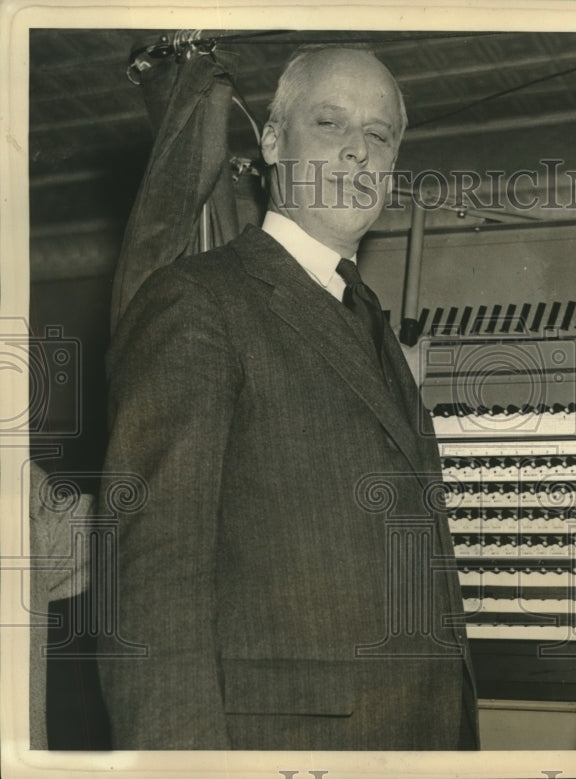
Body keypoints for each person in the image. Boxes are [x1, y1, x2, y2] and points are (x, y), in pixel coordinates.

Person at [96, 45, 478, 750]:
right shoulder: (197, 302)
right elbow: (150, 591)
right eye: (331, 124)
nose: (360, 152)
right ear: (272, 142)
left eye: (380, 134)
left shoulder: (370, 322)